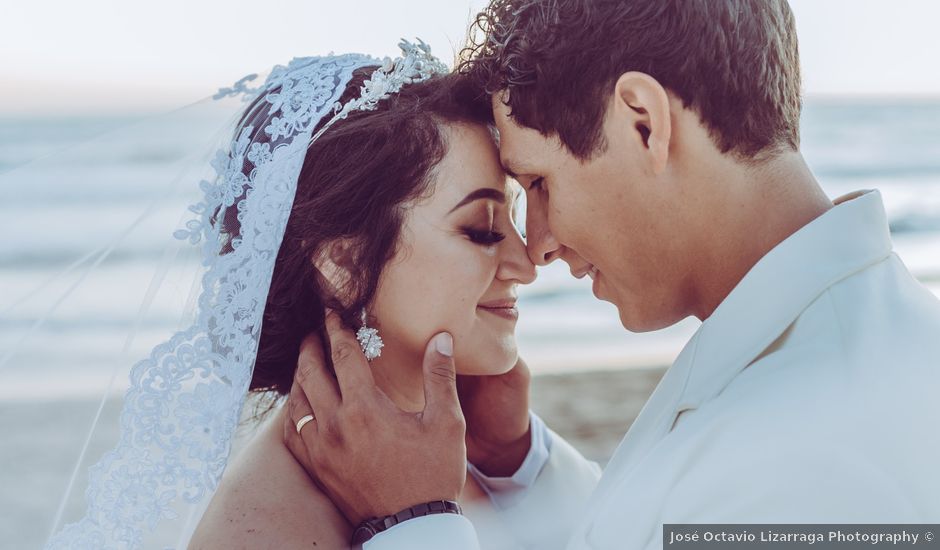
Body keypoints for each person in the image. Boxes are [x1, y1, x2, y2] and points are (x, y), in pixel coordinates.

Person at [283, 0, 940, 548]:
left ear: (644, 124)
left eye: (538, 183)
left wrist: (412, 526)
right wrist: (521, 464)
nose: (536, 247)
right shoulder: (867, 340)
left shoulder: (801, 463)